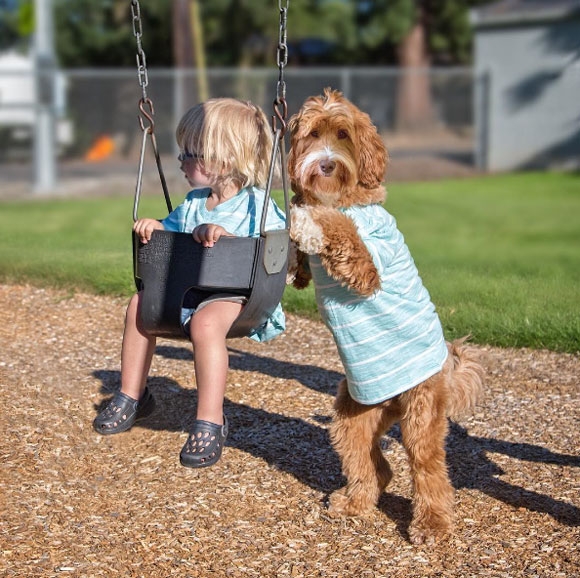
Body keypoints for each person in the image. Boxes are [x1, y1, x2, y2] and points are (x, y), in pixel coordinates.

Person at [93, 98, 287, 469]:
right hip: (187, 292)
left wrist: (223, 234)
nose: (181, 160)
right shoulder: (194, 202)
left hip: (235, 295)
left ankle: (210, 419)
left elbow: (272, 243)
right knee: (139, 304)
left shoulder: (256, 204)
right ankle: (132, 394)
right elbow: (173, 230)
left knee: (206, 323)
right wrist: (157, 227)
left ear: (225, 160)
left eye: (191, 154)